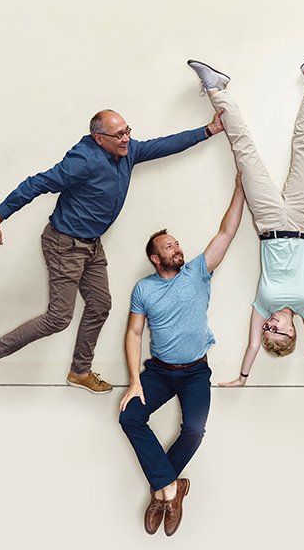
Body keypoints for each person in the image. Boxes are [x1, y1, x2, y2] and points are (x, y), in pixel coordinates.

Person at [0, 108, 224, 395]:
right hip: (64, 244)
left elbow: (163, 145)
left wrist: (208, 130)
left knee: (100, 305)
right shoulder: (82, 162)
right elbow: (36, 183)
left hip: (91, 245)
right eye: (119, 135)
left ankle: (80, 371)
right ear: (99, 138)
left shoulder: (127, 151)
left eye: (128, 130)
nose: (127, 138)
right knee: (58, 318)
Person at [187, 43, 304, 389]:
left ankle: (216, 89)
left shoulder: (263, 305)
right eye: (278, 331)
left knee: (243, 152)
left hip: (270, 224)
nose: (270, 326)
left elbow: (250, 346)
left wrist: (242, 378)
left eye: (268, 331)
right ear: (292, 331)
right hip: (303, 221)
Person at [118, 172, 244, 537]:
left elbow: (226, 233)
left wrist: (238, 189)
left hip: (194, 372)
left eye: (176, 243)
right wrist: (133, 382)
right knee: (129, 417)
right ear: (156, 258)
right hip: (158, 372)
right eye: (169, 246)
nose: (177, 247)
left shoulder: (197, 272)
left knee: (194, 429)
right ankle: (173, 489)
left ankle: (161, 492)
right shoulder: (144, 288)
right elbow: (134, 332)